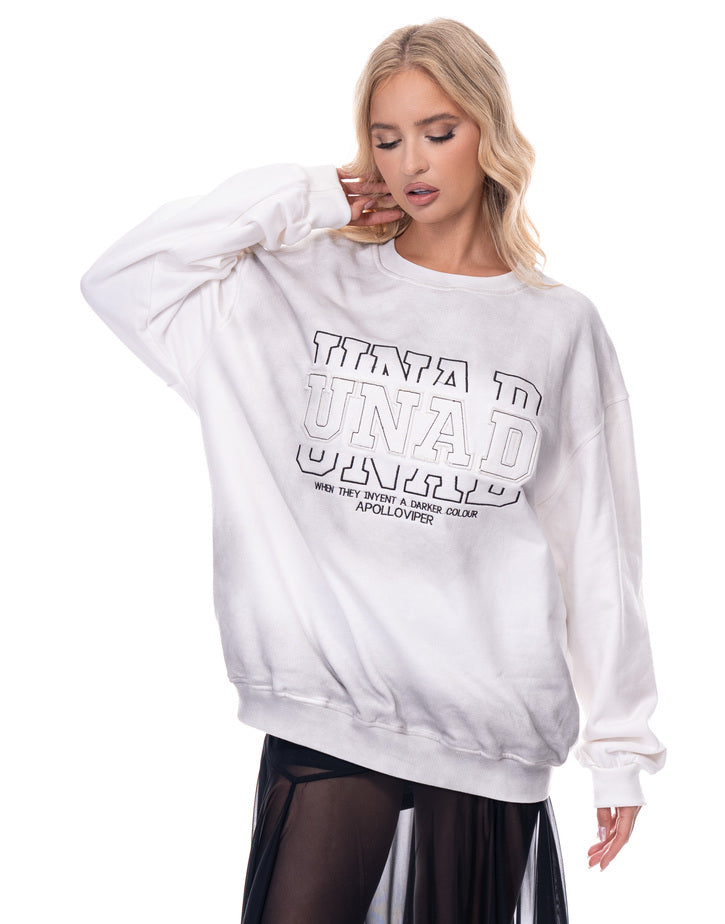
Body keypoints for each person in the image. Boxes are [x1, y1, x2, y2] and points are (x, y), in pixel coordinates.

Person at [79, 17, 666, 924]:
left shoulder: (556, 326)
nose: (411, 162)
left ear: (487, 131)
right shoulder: (298, 288)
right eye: (386, 139)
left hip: (489, 725)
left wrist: (619, 749)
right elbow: (121, 278)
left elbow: (597, 547)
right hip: (329, 709)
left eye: (438, 131)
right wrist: (310, 196)